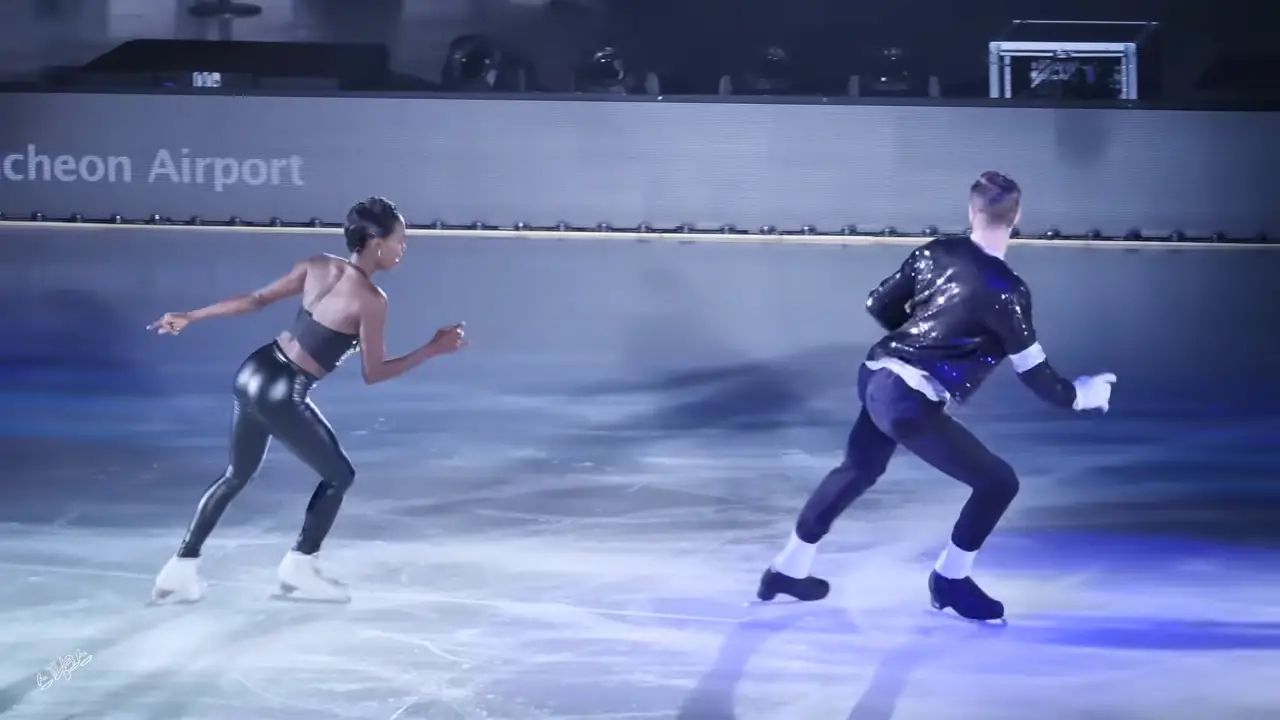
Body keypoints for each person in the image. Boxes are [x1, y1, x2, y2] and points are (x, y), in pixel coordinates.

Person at [757, 172, 1117, 621]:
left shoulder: (935, 252)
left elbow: (878, 304)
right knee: (998, 483)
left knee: (859, 467)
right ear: (1017, 217)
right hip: (906, 401)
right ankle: (949, 580)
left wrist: (914, 341)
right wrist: (1080, 396)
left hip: (875, 377)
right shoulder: (1008, 292)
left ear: (971, 211)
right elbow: (1035, 373)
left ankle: (787, 569)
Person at [148, 197, 467, 603]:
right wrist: (432, 349)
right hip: (283, 389)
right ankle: (300, 566)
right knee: (340, 475)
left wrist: (192, 316)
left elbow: (255, 300)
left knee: (236, 474)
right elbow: (374, 373)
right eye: (399, 240)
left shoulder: (318, 265)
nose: (403, 248)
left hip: (254, 370)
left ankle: (179, 570)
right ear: (374, 242)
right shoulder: (372, 300)